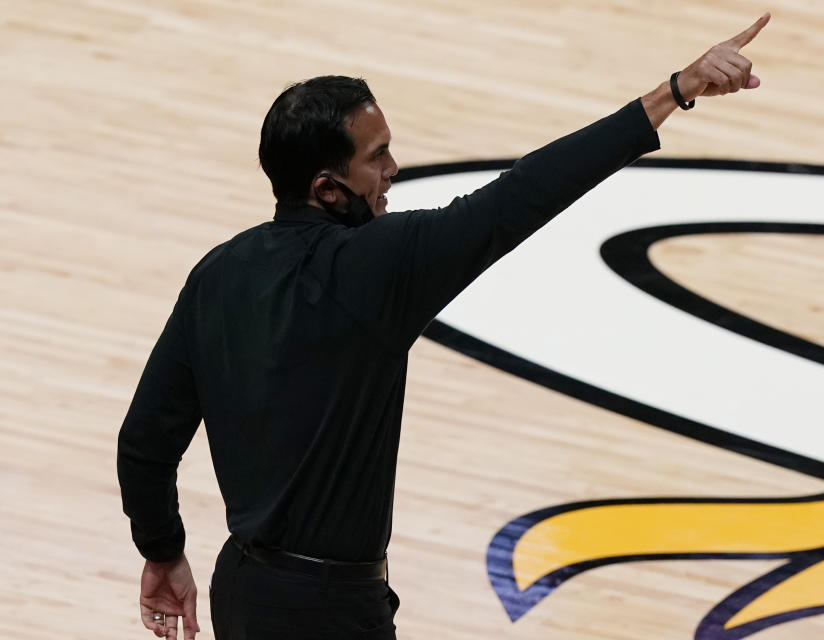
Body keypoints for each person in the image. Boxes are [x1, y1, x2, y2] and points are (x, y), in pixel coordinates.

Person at [117, 12, 771, 640]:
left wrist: (163, 552)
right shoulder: (380, 266)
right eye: (377, 158)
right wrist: (675, 91)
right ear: (326, 189)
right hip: (331, 611)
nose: (393, 171)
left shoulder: (217, 274)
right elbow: (523, 194)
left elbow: (146, 443)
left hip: (244, 591)